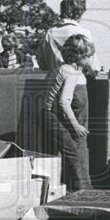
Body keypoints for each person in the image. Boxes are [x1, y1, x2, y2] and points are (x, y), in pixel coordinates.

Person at [42, 33, 95, 191]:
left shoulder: (67, 69)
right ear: (77, 56)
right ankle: (82, 191)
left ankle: (82, 189)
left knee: (77, 151)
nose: (89, 60)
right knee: (72, 151)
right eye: (87, 56)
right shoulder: (69, 72)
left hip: (54, 114)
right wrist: (76, 125)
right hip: (50, 114)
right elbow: (64, 102)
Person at [39, 0, 102, 72]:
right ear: (77, 14)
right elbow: (93, 65)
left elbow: (42, 65)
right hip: (79, 80)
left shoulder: (49, 33)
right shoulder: (85, 33)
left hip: (54, 80)